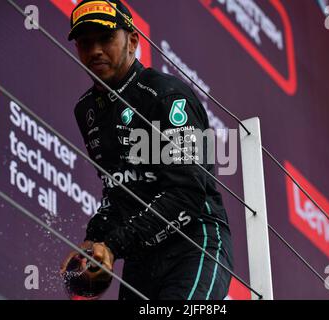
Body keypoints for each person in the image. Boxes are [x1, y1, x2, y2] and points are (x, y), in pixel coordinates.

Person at [60, 0, 233, 300]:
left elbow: (187, 193)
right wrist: (92, 247)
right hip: (142, 255)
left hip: (192, 244)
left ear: (133, 40)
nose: (96, 50)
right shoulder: (86, 111)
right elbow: (118, 190)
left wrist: (113, 246)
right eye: (85, 42)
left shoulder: (166, 96)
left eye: (106, 38)